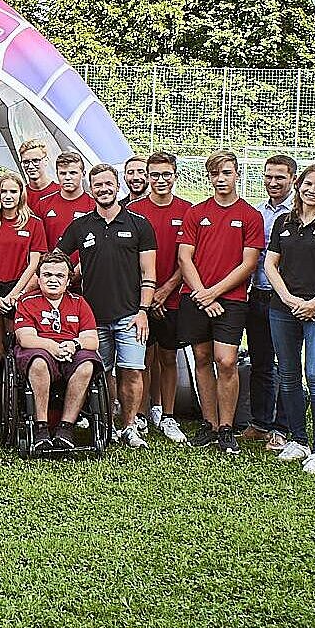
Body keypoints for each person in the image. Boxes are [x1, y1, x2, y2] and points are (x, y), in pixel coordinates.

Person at [55, 164, 157, 449]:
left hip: (130, 315)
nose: (103, 189)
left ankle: (129, 426)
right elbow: (56, 260)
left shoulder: (139, 225)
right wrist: (68, 276)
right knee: (104, 373)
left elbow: (149, 274)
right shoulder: (81, 226)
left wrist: (143, 311)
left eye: (108, 184)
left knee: (133, 371)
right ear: (91, 189)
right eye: (98, 185)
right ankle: (109, 426)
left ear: (117, 186)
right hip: (92, 320)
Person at [176, 151, 265, 453]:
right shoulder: (195, 212)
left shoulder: (250, 215)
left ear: (237, 174)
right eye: (215, 174)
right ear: (209, 177)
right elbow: (184, 257)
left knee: (225, 361)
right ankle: (209, 424)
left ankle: (227, 427)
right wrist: (202, 293)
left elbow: (249, 263)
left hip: (231, 301)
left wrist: (214, 293)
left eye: (226, 173)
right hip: (196, 298)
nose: (220, 179)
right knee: (201, 359)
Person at [264, 163, 315, 474]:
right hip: (282, 309)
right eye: (308, 184)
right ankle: (297, 440)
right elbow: (271, 265)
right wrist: (287, 298)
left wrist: (314, 303)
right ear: (299, 185)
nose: (312, 190)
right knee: (288, 375)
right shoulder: (285, 221)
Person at [130, 151, 192, 444]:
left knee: (168, 357)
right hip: (141, 299)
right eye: (154, 175)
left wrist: (165, 290)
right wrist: (148, 295)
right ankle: (140, 415)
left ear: (175, 176)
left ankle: (167, 416)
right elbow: (131, 259)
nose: (160, 180)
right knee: (140, 358)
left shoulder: (188, 210)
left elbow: (187, 259)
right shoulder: (134, 211)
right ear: (147, 177)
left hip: (173, 297)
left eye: (166, 174)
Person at [13, 250, 102, 450]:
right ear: (38, 278)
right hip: (39, 350)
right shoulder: (27, 303)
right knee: (38, 361)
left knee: (87, 363)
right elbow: (25, 338)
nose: (53, 280)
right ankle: (41, 427)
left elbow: (92, 339)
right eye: (47, 275)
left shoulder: (79, 303)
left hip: (72, 351)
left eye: (60, 275)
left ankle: (66, 428)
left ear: (68, 280)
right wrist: (52, 346)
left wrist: (74, 344)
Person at [240, 154, 297, 448]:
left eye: (280, 178)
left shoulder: (299, 214)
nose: (273, 183)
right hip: (257, 295)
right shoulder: (256, 213)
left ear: (293, 180)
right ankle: (260, 422)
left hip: (286, 298)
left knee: (286, 363)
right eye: (268, 177)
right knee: (260, 361)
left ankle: (283, 426)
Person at [0, 170, 46, 408]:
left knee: (17, 349)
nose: (8, 196)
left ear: (21, 194)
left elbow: (34, 262)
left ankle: (21, 405)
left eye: (13, 191)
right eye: (3, 191)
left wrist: (16, 294)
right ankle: (4, 407)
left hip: (20, 291)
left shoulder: (34, 223)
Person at [40, 151, 94, 247]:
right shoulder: (43, 204)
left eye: (73, 173)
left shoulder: (94, 205)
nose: (67, 177)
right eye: (63, 173)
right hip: (52, 261)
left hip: (85, 262)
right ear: (57, 174)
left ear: (83, 174)